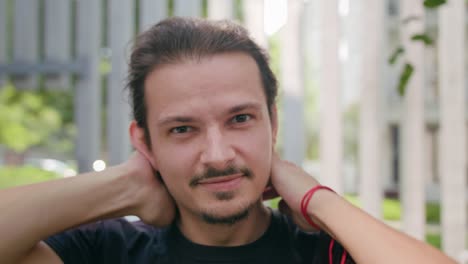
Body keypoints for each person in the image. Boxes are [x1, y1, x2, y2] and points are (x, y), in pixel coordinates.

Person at [0, 17, 456, 264]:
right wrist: (124, 187)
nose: (217, 156)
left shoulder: (327, 252)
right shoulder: (107, 252)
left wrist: (317, 201)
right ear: (144, 142)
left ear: (272, 123)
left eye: (240, 119)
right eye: (182, 129)